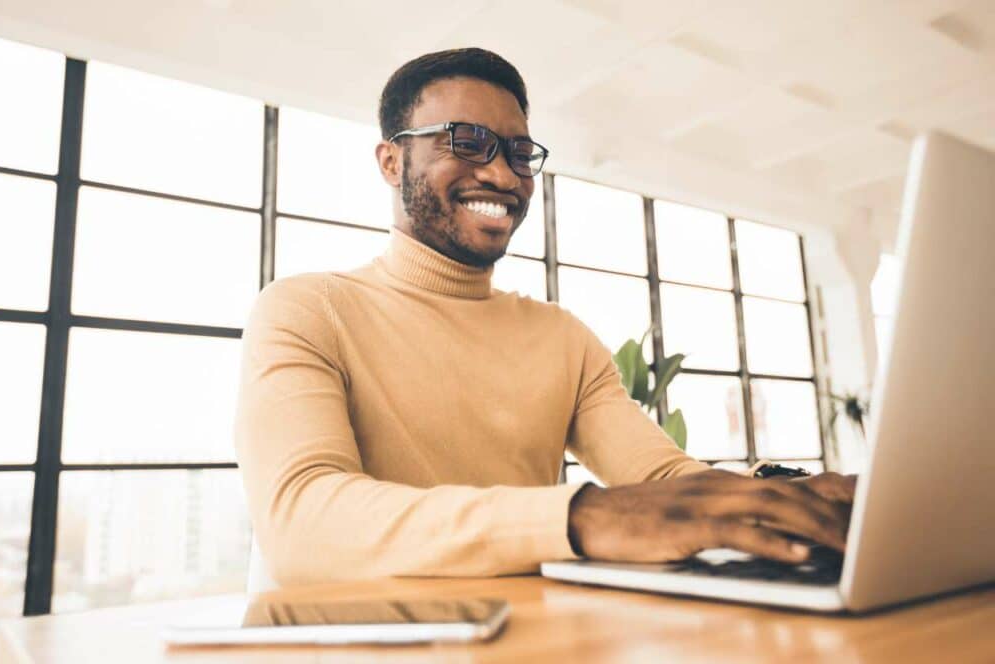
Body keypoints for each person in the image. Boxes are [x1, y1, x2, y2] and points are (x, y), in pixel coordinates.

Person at [234, 47, 855, 586]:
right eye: (466, 141)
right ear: (392, 162)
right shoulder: (307, 309)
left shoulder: (562, 338)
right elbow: (301, 520)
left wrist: (786, 495)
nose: (503, 174)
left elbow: (664, 478)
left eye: (519, 151)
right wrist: (580, 516)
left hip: (529, 637)